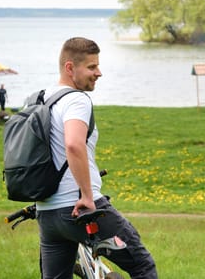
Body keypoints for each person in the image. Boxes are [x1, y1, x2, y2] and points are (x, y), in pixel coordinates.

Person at [35, 37, 157, 279]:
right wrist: (87, 196)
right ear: (70, 68)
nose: (98, 73)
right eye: (91, 67)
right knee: (142, 266)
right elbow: (73, 144)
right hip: (79, 209)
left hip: (47, 214)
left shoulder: (40, 99)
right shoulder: (76, 99)